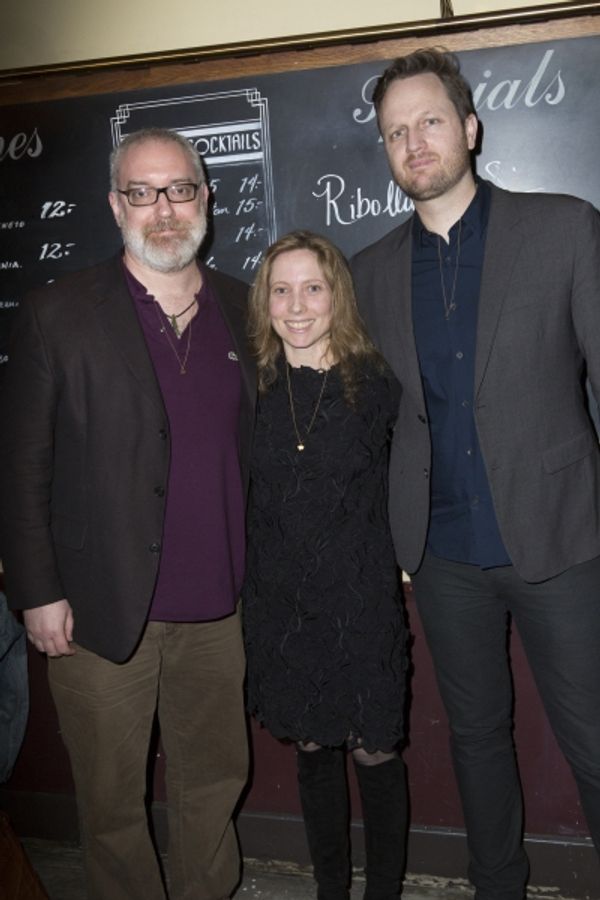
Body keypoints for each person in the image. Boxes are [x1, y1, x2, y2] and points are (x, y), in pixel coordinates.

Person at [350, 48, 600, 900]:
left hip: (563, 541)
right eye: (394, 132)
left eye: (427, 121)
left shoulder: (566, 227)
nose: (413, 142)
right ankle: (499, 887)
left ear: (469, 126)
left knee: (595, 740)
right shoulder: (370, 272)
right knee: (477, 738)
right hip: (442, 553)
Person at [0, 127, 256, 900]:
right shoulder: (56, 314)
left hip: (222, 607)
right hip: (96, 610)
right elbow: (19, 466)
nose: (164, 209)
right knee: (111, 805)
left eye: (180, 189)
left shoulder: (251, 307)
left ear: (205, 198)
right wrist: (36, 592)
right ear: (116, 205)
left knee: (214, 785)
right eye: (142, 193)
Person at [243, 230, 408, 900]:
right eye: (281, 290)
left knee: (375, 749)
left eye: (313, 287)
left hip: (362, 597)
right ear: (265, 302)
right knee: (313, 749)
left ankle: (384, 893)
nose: (297, 304)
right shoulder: (252, 387)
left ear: (337, 295)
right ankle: (331, 891)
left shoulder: (378, 386)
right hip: (283, 606)